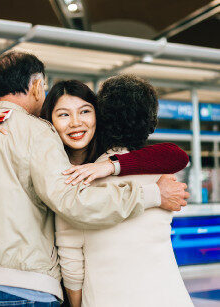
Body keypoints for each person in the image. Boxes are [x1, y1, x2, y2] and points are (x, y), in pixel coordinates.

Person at [0, 51, 189, 307]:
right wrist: (153, 194)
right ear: (38, 86)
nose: (75, 122)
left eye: (84, 111)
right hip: (25, 288)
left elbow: (175, 155)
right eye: (63, 114)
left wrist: (111, 166)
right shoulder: (38, 133)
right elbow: (73, 203)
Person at [55, 75, 193, 306]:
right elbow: (176, 155)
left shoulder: (78, 180)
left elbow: (71, 260)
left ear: (101, 118)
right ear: (151, 122)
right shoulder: (163, 177)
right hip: (168, 296)